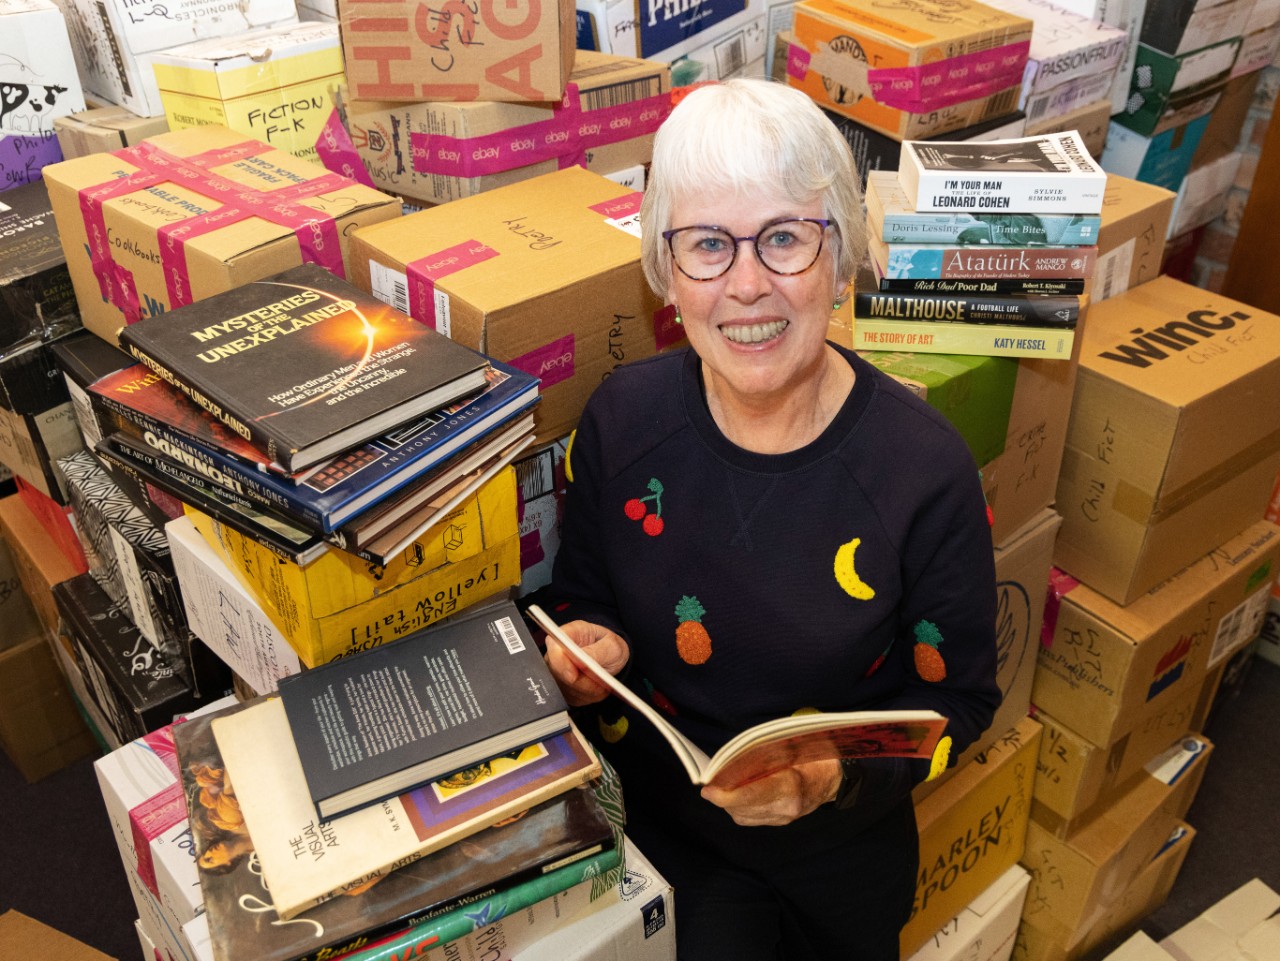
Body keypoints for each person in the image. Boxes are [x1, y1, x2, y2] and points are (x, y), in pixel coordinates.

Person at [536, 78, 1000, 961]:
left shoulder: (923, 471)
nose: (747, 286)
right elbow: (579, 591)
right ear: (667, 271)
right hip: (651, 840)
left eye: (784, 238)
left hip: (834, 862)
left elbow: (959, 704)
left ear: (841, 256)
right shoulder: (622, 421)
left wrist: (829, 777)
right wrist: (584, 646)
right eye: (709, 244)